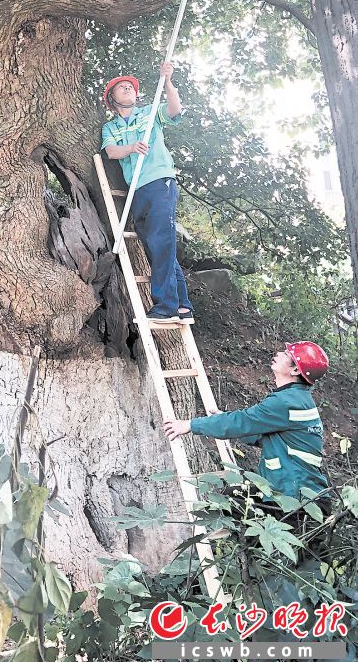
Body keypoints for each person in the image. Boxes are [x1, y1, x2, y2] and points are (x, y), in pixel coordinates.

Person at [163, 341, 331, 509]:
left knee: (233, 506)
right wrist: (223, 420)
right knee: (233, 499)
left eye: (287, 355)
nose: (279, 354)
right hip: (299, 494)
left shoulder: (285, 402)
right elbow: (263, 434)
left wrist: (190, 425)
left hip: (296, 500)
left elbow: (241, 422)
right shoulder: (297, 399)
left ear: (295, 370)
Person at [101, 62, 194, 325]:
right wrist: (131, 147)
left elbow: (175, 110)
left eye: (130, 86)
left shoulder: (148, 112)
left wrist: (167, 82)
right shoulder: (111, 128)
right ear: (112, 99)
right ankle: (183, 305)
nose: (128, 88)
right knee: (157, 247)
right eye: (121, 87)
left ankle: (166, 306)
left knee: (162, 242)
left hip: (159, 181)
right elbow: (111, 152)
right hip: (137, 189)